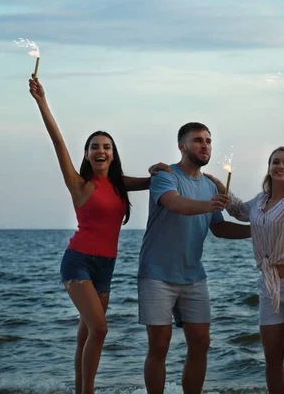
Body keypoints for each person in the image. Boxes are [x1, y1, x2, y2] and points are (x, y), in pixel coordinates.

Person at [28, 76, 169, 394]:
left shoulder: (120, 184)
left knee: (86, 335)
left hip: (106, 266)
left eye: (106, 147)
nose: (100, 150)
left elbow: (153, 179)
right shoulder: (80, 184)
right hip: (77, 262)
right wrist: (41, 101)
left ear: (113, 154)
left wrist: (169, 168)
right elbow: (57, 142)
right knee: (100, 329)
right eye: (95, 147)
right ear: (88, 154)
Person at [137, 121, 251, 394]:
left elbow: (219, 228)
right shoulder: (165, 176)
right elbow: (174, 203)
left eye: (208, 140)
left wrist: (258, 231)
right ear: (182, 146)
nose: (205, 145)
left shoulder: (211, 186)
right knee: (160, 345)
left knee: (201, 343)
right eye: (198, 140)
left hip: (193, 276)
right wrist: (209, 205)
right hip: (156, 273)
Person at [206, 115, 284, 393]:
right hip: (268, 287)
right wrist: (218, 184)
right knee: (272, 358)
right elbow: (238, 210)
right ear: (268, 168)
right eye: (275, 161)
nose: (281, 166)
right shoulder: (261, 201)